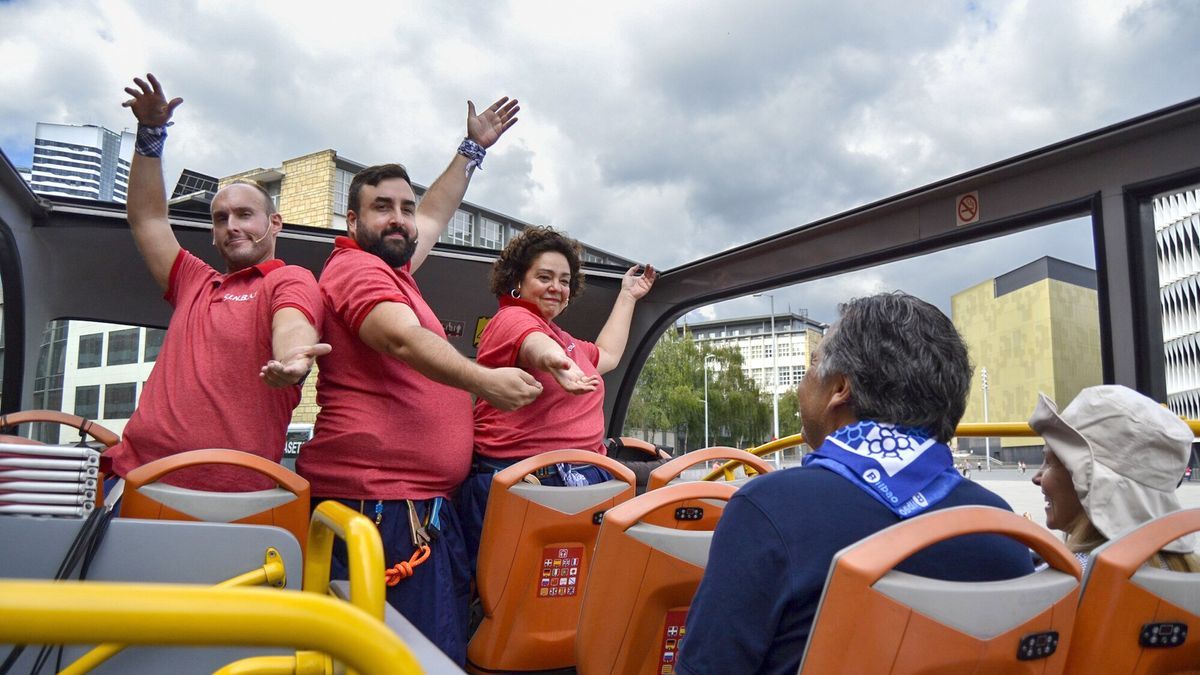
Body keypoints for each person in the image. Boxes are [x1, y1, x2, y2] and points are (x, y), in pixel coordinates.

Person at [296, 97, 540, 665]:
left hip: (415, 506)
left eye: (404, 207)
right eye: (382, 207)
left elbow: (435, 212)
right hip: (381, 507)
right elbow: (401, 339)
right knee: (409, 662)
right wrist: (485, 381)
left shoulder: (395, 269)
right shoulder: (355, 268)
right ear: (352, 223)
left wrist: (471, 150)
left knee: (430, 655)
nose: (400, 217)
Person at [678, 292, 1033, 675]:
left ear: (840, 389)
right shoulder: (999, 525)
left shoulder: (769, 510)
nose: (800, 387)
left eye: (810, 366)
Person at [106, 74, 326, 491]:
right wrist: (151, 134)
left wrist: (295, 363)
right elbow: (148, 218)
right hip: (136, 478)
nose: (232, 225)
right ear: (212, 232)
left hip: (232, 496)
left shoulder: (287, 279)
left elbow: (293, 322)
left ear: (274, 223)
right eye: (221, 218)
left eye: (245, 215)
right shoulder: (194, 281)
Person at [460, 226, 656, 563]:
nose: (557, 288)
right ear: (517, 282)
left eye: (564, 281)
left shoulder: (562, 337)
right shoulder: (511, 318)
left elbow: (606, 355)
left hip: (571, 478)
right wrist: (560, 366)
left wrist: (628, 296)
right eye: (545, 277)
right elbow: (536, 347)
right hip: (533, 481)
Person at [1030, 385, 1199, 572]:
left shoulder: (1067, 581)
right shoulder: (1185, 572)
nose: (1036, 478)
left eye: (1049, 461)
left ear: (1084, 480)